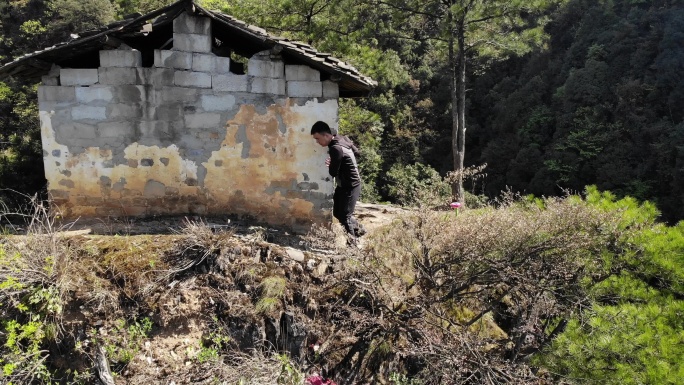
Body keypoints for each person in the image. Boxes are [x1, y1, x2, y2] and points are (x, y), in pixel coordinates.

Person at [311, 121, 366, 239]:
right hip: (343, 184)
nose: (317, 142)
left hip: (351, 185)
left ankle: (352, 246)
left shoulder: (335, 148)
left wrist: (334, 162)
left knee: (345, 216)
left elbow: (332, 172)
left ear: (326, 135)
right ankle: (359, 230)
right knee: (337, 213)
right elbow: (357, 152)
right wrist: (340, 161)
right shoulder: (342, 139)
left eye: (318, 138)